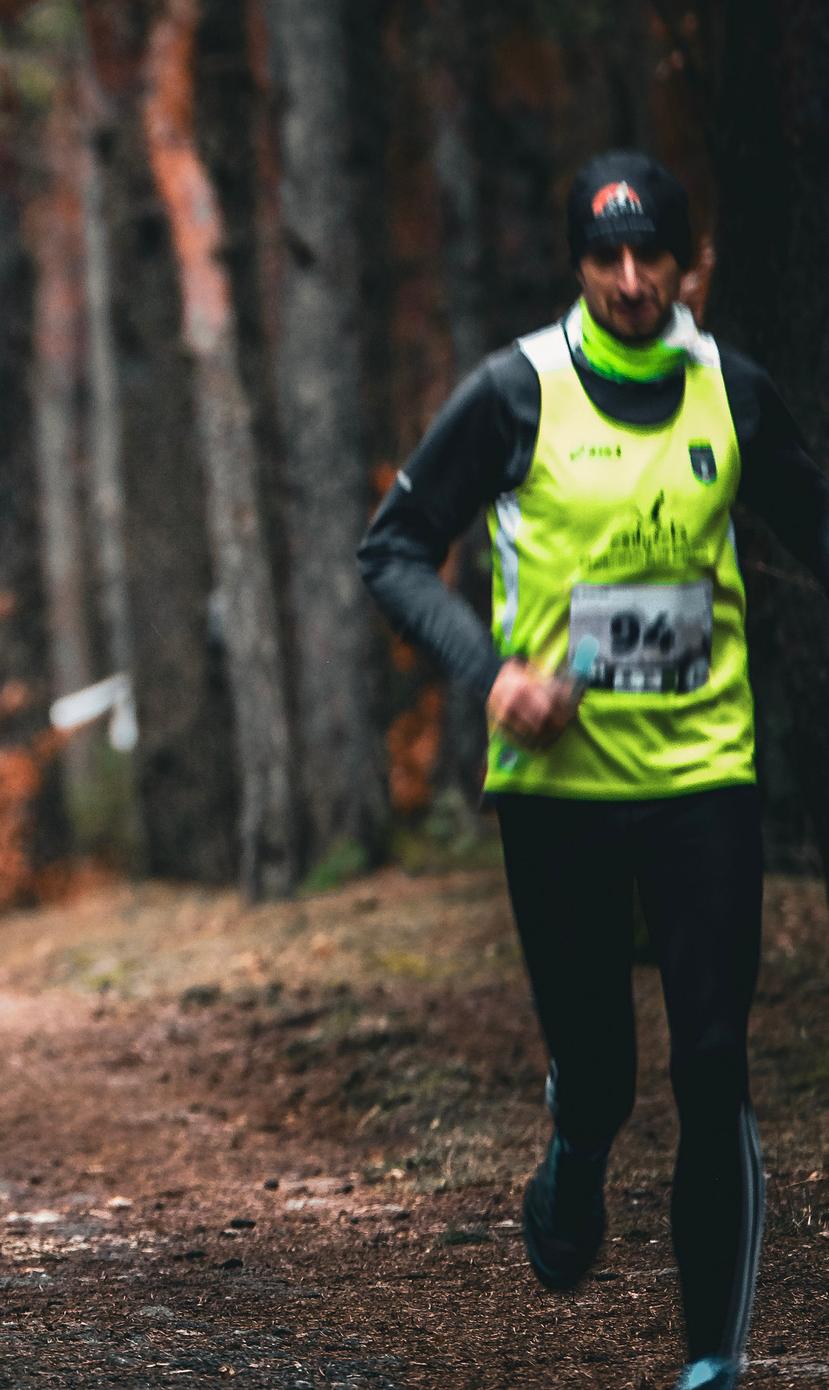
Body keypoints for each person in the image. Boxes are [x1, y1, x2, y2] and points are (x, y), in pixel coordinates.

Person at [359, 152, 829, 1390]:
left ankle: (710, 1363)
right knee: (608, 1070)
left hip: (702, 772)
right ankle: (575, 1140)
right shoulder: (515, 392)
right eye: (605, 258)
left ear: (692, 263)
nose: (629, 281)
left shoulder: (733, 390)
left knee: (715, 1057)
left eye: (652, 256)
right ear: (577, 263)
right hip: (558, 789)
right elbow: (394, 550)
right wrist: (493, 675)